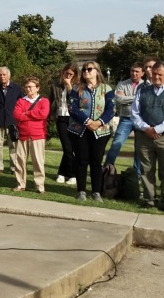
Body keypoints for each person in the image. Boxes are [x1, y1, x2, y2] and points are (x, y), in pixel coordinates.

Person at [131, 61, 164, 213]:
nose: (156, 77)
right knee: (146, 169)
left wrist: (157, 129)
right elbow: (135, 114)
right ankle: (149, 199)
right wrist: (146, 128)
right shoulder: (143, 90)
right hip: (144, 136)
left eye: (160, 74)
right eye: (154, 74)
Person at [67, 61, 115, 203]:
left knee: (96, 161)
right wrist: (88, 122)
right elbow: (72, 108)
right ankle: (81, 190)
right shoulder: (77, 88)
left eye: (89, 69)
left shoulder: (106, 89)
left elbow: (111, 109)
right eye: (84, 70)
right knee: (81, 160)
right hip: (80, 130)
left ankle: (96, 192)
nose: (86, 71)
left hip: (100, 131)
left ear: (97, 71)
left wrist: (98, 123)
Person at [103, 62, 144, 175]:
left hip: (141, 120)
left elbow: (144, 101)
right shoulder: (122, 84)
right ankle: (106, 169)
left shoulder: (146, 85)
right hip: (126, 118)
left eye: (137, 71)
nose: (134, 73)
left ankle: (137, 174)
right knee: (116, 144)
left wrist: (126, 98)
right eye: (132, 71)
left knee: (139, 148)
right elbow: (119, 100)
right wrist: (137, 98)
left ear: (142, 73)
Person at [13, 77, 50, 193]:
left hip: (38, 135)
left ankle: (39, 185)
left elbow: (43, 114)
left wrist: (27, 113)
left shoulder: (44, 101)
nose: (28, 89)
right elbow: (17, 115)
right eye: (26, 87)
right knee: (19, 161)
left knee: (38, 162)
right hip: (22, 135)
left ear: (37, 88)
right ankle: (20, 184)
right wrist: (34, 115)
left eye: (31, 87)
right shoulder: (21, 101)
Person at [0, 66, 22, 174]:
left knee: (14, 146)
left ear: (9, 75)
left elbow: (21, 104)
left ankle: (14, 167)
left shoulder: (16, 88)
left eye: (4, 74)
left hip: (12, 121)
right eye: (0, 75)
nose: (2, 77)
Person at [48, 63, 78, 185]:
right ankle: (70, 174)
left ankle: (63, 173)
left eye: (71, 74)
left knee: (72, 149)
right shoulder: (55, 85)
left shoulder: (78, 86)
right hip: (61, 118)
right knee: (67, 148)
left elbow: (76, 100)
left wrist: (69, 85)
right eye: (66, 73)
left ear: (75, 75)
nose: (68, 76)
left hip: (74, 119)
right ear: (63, 72)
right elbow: (50, 101)